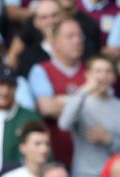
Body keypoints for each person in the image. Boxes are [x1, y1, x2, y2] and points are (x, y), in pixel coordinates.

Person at [57, 54, 120, 177]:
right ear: (88, 74)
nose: (103, 76)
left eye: (108, 71)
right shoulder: (79, 101)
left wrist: (108, 139)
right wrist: (84, 91)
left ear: (114, 76)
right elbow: (64, 124)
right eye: (98, 71)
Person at [28, 17, 87, 167]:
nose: (77, 41)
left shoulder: (93, 71)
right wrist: (84, 100)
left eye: (79, 35)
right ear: (54, 43)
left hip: (88, 160)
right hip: (54, 156)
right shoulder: (41, 71)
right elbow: (47, 108)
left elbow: (101, 109)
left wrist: (61, 100)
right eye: (70, 36)